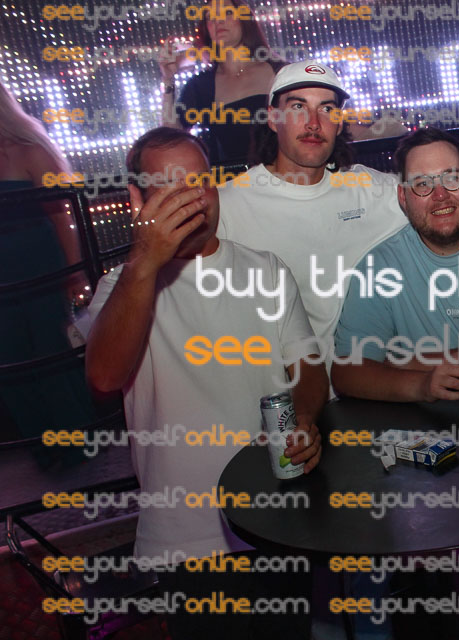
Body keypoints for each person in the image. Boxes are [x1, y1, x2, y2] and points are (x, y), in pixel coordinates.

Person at [84, 127, 328, 638]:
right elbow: (104, 377)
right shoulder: (121, 287)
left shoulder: (267, 269)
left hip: (275, 518)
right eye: (168, 188)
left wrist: (305, 416)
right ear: (138, 200)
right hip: (187, 539)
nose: (190, 200)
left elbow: (308, 368)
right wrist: (144, 260)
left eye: (198, 182)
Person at [218, 60, 459, 378]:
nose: (313, 123)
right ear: (273, 118)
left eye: (327, 109)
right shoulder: (229, 206)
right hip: (282, 394)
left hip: (363, 385)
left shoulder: (369, 188)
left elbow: (442, 198)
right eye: (298, 107)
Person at [332, 128, 459, 402]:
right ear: (403, 198)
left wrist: (403, 361)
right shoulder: (380, 268)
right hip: (429, 422)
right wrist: (422, 385)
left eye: (451, 178)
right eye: (422, 184)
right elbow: (347, 371)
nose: (440, 195)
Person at [0, 80, 96, 448]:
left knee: (51, 352)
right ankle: (41, 447)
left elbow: (62, 215)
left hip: (40, 267)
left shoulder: (29, 151)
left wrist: (74, 272)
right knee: (10, 361)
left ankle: (77, 445)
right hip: (4, 278)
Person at [160, 0, 283, 165]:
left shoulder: (280, 71)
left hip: (283, 176)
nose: (218, 21)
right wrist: (168, 80)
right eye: (210, 17)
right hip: (230, 179)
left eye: (227, 13)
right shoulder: (201, 85)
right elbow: (171, 138)